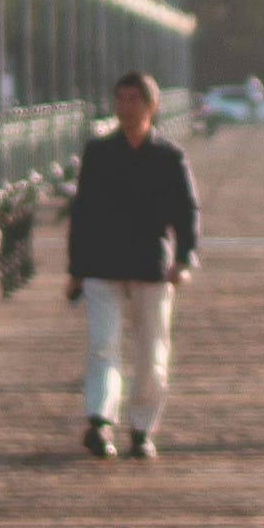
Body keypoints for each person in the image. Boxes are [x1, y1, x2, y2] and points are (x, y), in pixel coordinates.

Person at [65, 70, 199, 458]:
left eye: (134, 100)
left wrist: (185, 257)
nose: (126, 108)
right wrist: (76, 270)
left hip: (150, 265)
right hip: (102, 263)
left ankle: (142, 428)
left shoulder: (168, 157)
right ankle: (100, 421)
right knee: (102, 346)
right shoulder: (99, 153)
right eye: (120, 99)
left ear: (151, 106)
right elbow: (83, 212)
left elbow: (186, 212)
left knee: (151, 353)